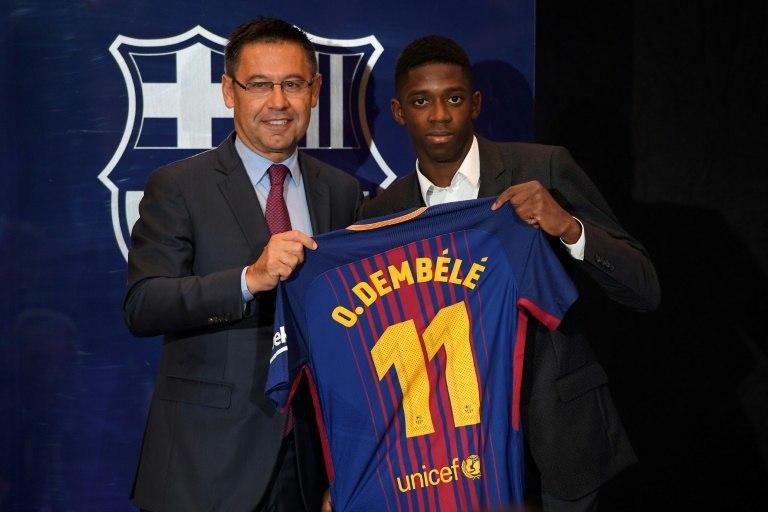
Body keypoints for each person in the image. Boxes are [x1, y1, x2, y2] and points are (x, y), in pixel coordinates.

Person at [359, 35, 660, 511]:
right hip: (447, 459)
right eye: (421, 101)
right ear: (399, 112)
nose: (439, 115)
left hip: (558, 445)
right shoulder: (383, 214)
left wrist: (567, 226)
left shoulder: (543, 168)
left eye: (454, 98)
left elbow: (644, 289)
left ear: (475, 103)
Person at [123, 17, 361, 512]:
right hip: (204, 465)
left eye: (292, 84)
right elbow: (144, 304)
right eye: (259, 85)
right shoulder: (178, 186)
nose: (278, 102)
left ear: (315, 91)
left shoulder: (339, 191)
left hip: (307, 463)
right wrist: (249, 280)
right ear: (229, 91)